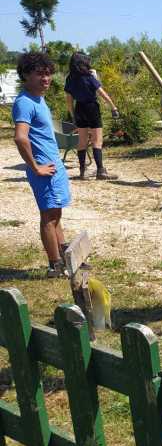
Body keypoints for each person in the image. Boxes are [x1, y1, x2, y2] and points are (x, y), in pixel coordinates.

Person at [12, 52, 73, 277]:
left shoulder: (39, 99)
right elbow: (20, 137)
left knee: (55, 214)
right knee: (48, 217)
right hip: (44, 170)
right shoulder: (24, 102)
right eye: (40, 74)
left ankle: (67, 258)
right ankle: (55, 265)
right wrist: (36, 167)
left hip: (53, 166)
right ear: (26, 75)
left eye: (48, 74)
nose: (45, 79)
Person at [64, 52, 119, 180]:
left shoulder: (70, 78)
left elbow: (69, 99)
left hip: (79, 109)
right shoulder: (89, 77)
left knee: (82, 141)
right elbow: (102, 93)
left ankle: (82, 171)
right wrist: (113, 107)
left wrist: (73, 115)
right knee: (97, 141)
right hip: (92, 108)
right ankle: (100, 171)